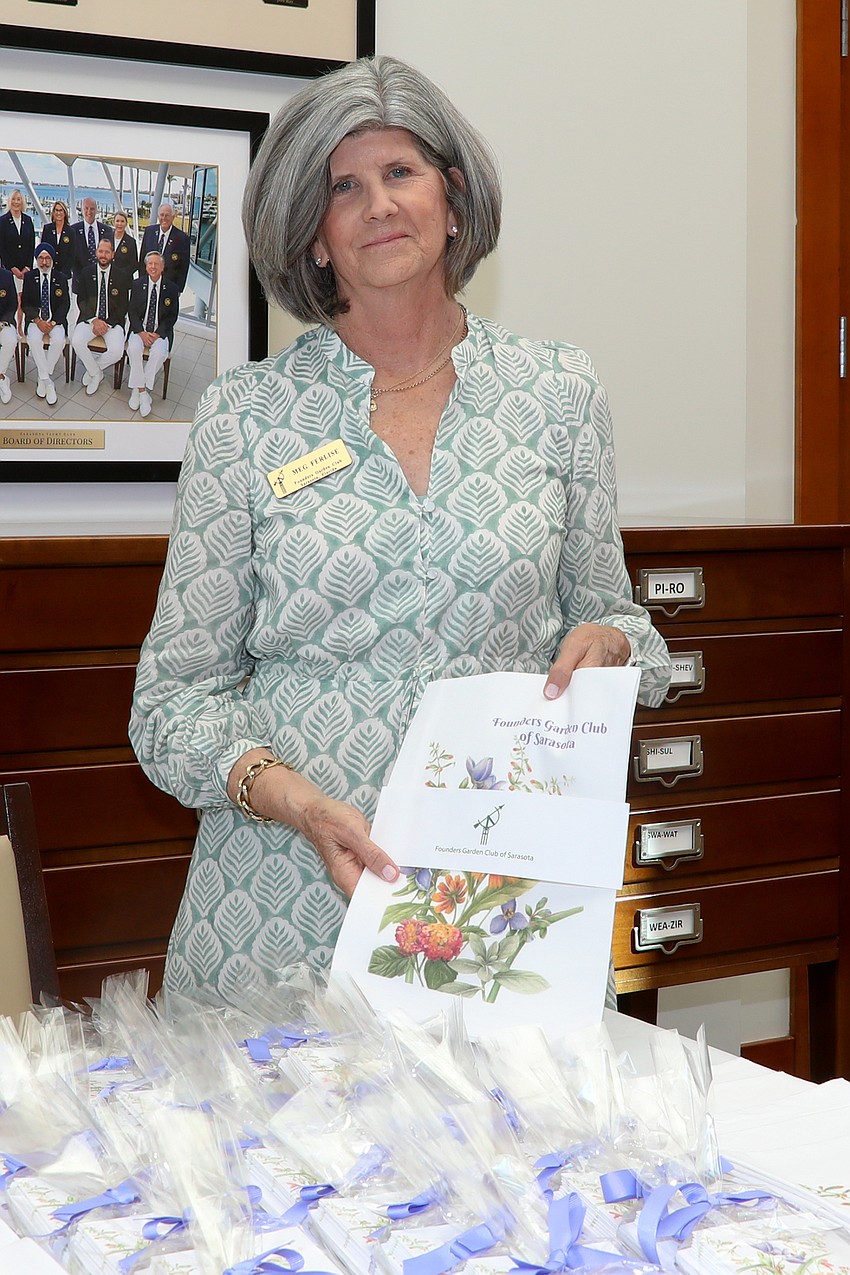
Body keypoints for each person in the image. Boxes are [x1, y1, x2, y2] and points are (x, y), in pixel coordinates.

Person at [130, 55, 672, 1004]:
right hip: (275, 910)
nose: (378, 203)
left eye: (402, 173)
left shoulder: (558, 394)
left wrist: (615, 641)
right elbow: (169, 709)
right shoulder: (244, 418)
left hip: (490, 919)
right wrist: (293, 800)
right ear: (315, 238)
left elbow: (630, 628)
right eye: (345, 186)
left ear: (453, 202)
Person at [71, 238, 129, 395]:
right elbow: (81, 299)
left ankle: (93, 369)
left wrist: (106, 324)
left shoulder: (122, 276)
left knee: (117, 351)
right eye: (101, 251)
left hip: (112, 322)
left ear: (113, 254)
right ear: (96, 252)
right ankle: (96, 374)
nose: (103, 255)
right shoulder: (86, 272)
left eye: (107, 252)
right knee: (76, 341)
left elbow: (123, 306)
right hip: (90, 319)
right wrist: (94, 320)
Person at [126, 250, 178, 417]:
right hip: (140, 329)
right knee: (133, 349)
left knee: (159, 353)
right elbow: (132, 312)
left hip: (160, 331)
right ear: (146, 266)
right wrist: (141, 332)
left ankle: (138, 388)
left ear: (162, 267)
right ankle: (142, 392)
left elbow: (172, 316)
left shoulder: (171, 288)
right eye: (150, 264)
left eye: (157, 264)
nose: (153, 266)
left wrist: (157, 333)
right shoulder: (137, 284)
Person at [21, 242, 70, 404]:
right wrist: (37, 320)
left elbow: (65, 304)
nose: (44, 262)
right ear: (36, 260)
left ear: (52, 260)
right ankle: (47, 381)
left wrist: (54, 322)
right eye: (41, 258)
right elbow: (25, 303)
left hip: (55, 321)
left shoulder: (61, 278)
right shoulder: (29, 277)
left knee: (59, 340)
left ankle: (43, 377)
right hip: (36, 320)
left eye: (47, 258)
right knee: (34, 340)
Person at [139, 202, 190, 294]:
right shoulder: (149, 231)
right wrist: (141, 281)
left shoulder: (182, 238)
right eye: (162, 215)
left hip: (169, 286)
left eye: (167, 215)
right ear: (158, 216)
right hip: (148, 283)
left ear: (172, 217)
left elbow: (184, 267)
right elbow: (143, 258)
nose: (164, 218)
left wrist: (179, 290)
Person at [70, 196, 113, 296]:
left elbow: (109, 255)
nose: (89, 211)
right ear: (81, 209)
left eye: (92, 209)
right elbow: (70, 257)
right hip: (80, 283)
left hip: (102, 282)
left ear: (96, 210)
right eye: (86, 208)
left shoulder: (107, 230)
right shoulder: (73, 230)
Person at [0, 189, 36, 293]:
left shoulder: (28, 220)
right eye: (14, 199)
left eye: (19, 199)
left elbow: (31, 246)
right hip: (8, 271)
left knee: (23, 301)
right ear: (9, 201)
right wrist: (12, 268)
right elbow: (2, 248)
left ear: (22, 202)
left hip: (25, 271)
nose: (16, 202)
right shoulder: (2, 221)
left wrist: (27, 267)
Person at [40, 200, 74, 278]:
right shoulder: (47, 229)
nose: (59, 213)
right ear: (53, 213)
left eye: (61, 210)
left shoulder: (71, 232)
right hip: (48, 272)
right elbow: (43, 250)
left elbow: (71, 255)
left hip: (64, 275)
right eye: (57, 210)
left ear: (65, 213)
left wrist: (63, 274)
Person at [0, 265, 17, 404]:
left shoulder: (6, 276)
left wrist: (3, 322)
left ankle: (1, 377)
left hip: (3, 323)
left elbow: (13, 304)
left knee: (10, 339)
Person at [111, 210, 139, 283]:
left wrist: (120, 274)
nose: (119, 224)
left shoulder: (131, 242)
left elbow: (134, 265)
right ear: (113, 222)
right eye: (117, 221)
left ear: (126, 223)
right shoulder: (106, 237)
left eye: (122, 221)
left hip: (123, 281)